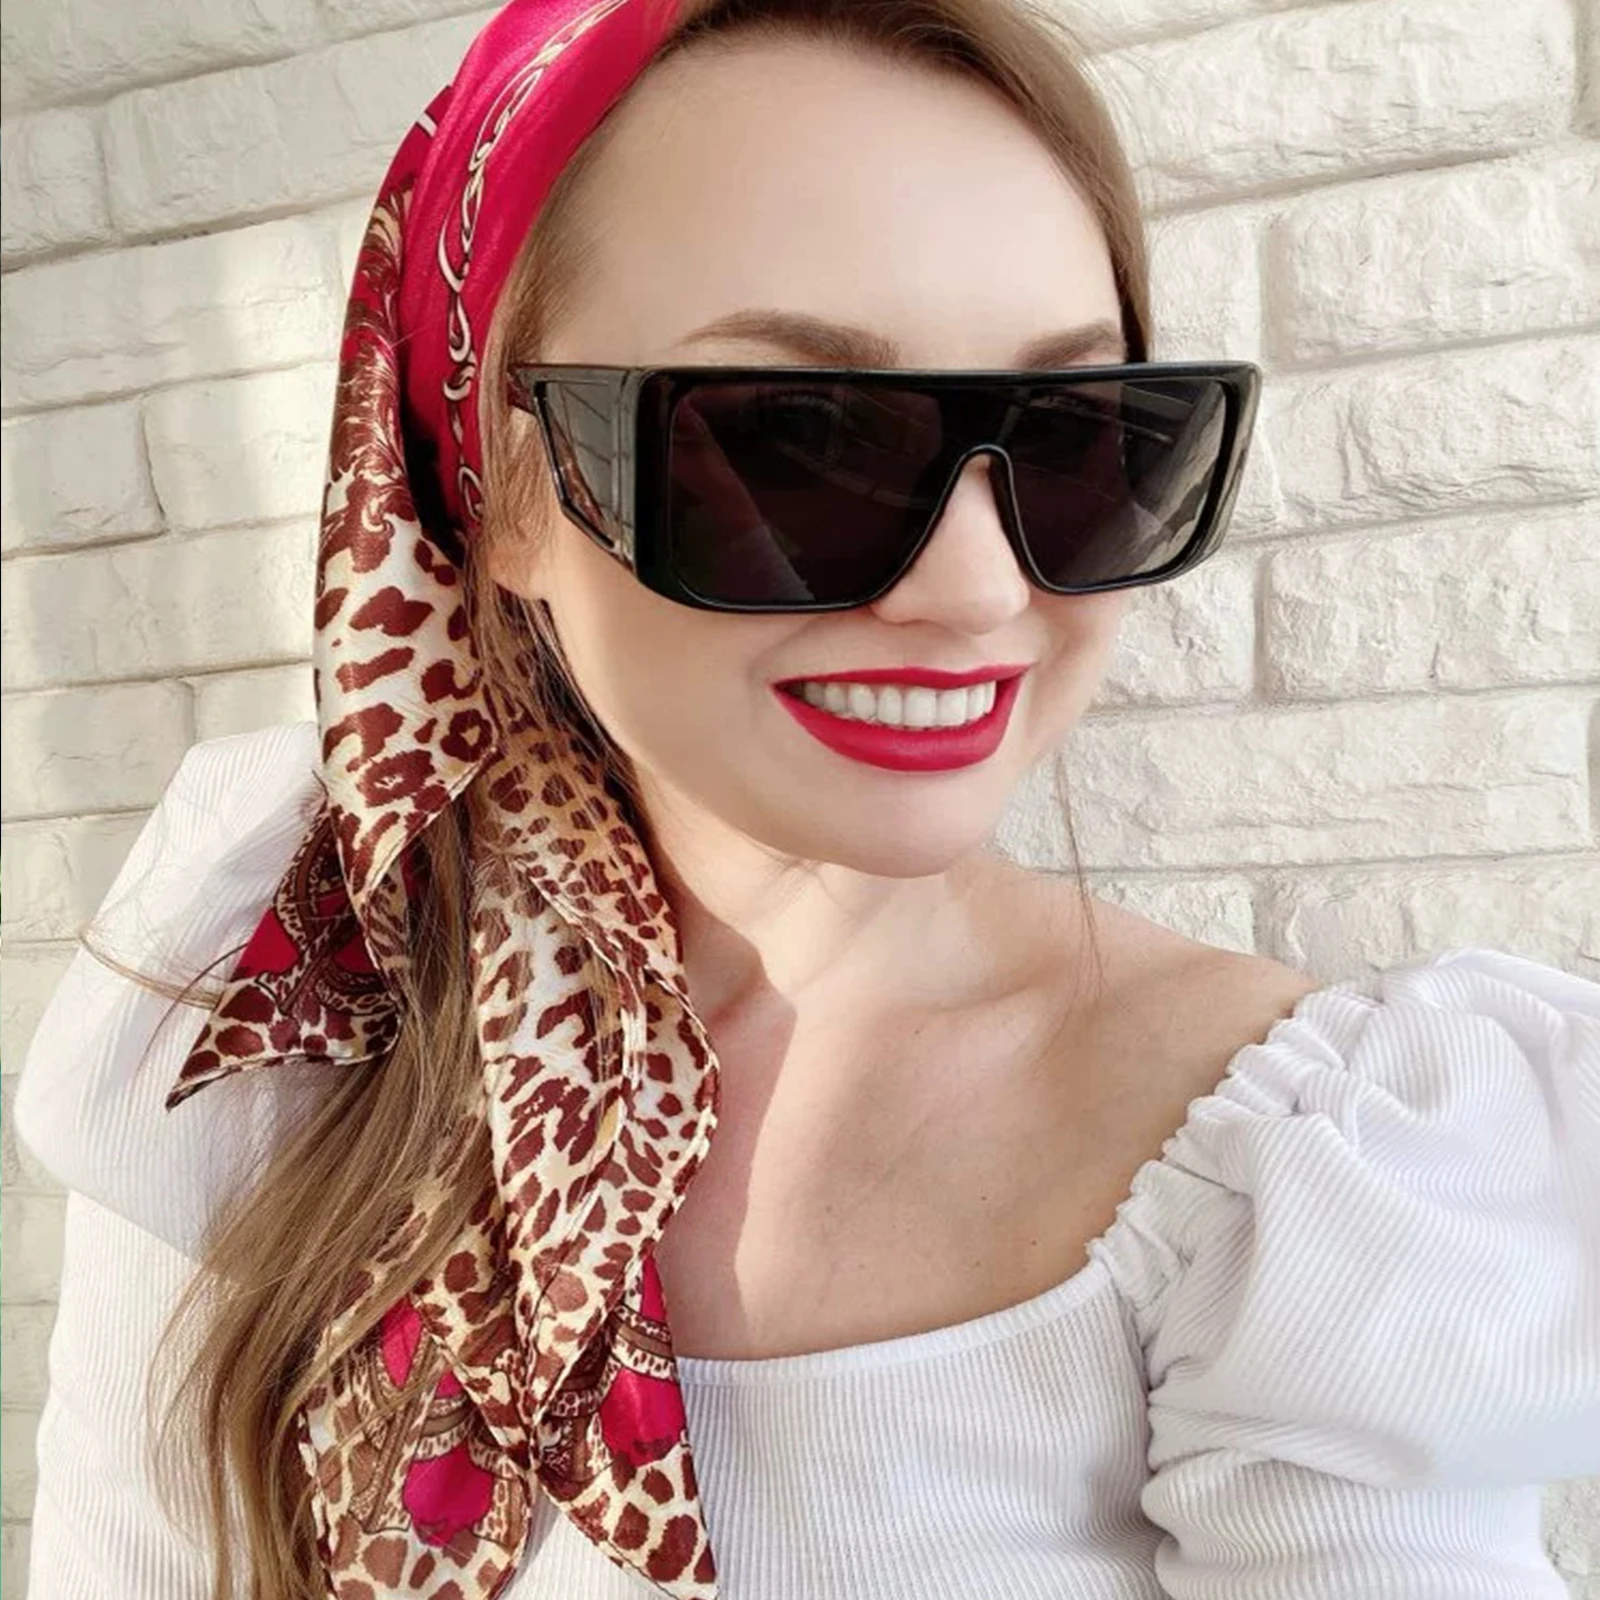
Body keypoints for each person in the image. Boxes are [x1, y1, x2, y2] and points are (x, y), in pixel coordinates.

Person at [14, 0, 1599, 1596]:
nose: (976, 593)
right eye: (797, 442)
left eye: (1077, 438)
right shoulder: (294, 976)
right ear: (507, 490)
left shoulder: (1287, 1180)